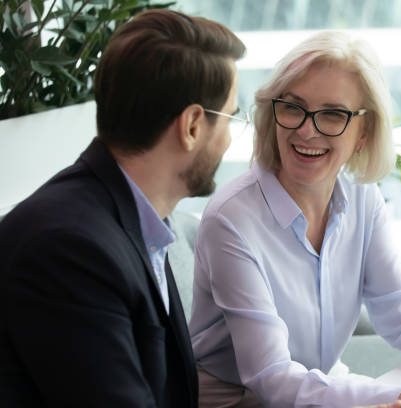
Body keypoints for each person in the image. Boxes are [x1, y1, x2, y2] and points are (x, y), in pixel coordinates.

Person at [189, 31, 401, 408]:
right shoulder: (231, 220)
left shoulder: (363, 199)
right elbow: (271, 378)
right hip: (241, 401)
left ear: (364, 132)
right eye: (293, 107)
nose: (307, 129)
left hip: (321, 387)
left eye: (333, 114)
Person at [0, 9, 246, 407]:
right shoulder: (69, 249)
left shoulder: (134, 222)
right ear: (193, 126)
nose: (230, 139)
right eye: (230, 118)